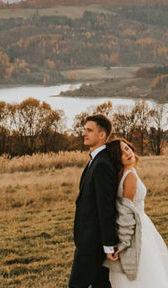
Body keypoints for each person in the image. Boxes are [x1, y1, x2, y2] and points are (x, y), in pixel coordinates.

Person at [103, 138, 168, 288]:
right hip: (136, 229)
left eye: (127, 149)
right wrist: (124, 244)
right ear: (117, 159)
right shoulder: (129, 176)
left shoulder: (127, 172)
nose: (127, 154)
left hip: (142, 223)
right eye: (121, 153)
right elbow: (126, 212)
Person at [70, 114, 120, 288]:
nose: (84, 133)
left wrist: (108, 244)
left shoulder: (102, 165)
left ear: (102, 135)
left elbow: (105, 207)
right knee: (101, 285)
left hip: (92, 243)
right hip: (89, 239)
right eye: (84, 130)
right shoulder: (95, 161)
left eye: (89, 130)